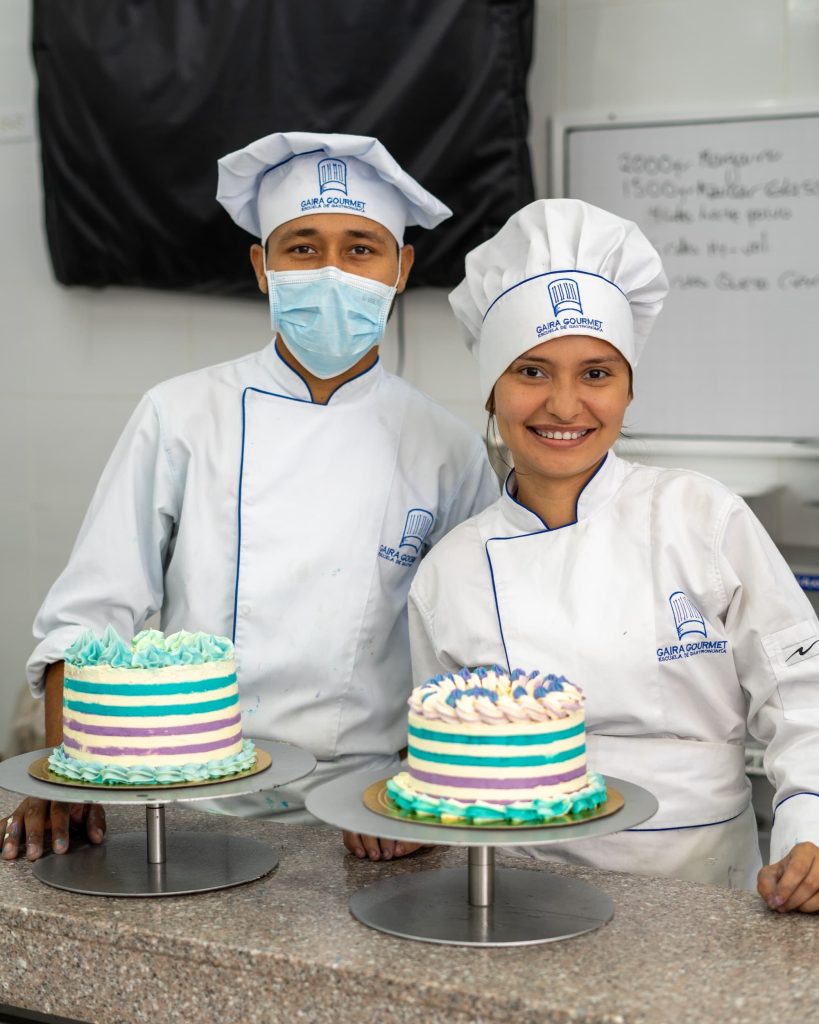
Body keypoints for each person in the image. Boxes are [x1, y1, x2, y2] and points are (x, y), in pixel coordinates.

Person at [2, 132, 498, 865]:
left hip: (368, 813)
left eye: (361, 249)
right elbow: (88, 613)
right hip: (184, 799)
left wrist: (417, 788)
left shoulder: (445, 447)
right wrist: (63, 771)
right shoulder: (180, 414)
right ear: (262, 268)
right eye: (302, 248)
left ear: (401, 269)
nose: (332, 272)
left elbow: (472, 659)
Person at [408, 197, 819, 911]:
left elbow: (801, 697)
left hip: (702, 891)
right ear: (490, 392)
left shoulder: (701, 516)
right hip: (521, 891)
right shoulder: (451, 570)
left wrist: (809, 829)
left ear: (629, 389)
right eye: (531, 372)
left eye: (595, 374)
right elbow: (438, 764)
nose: (564, 407)